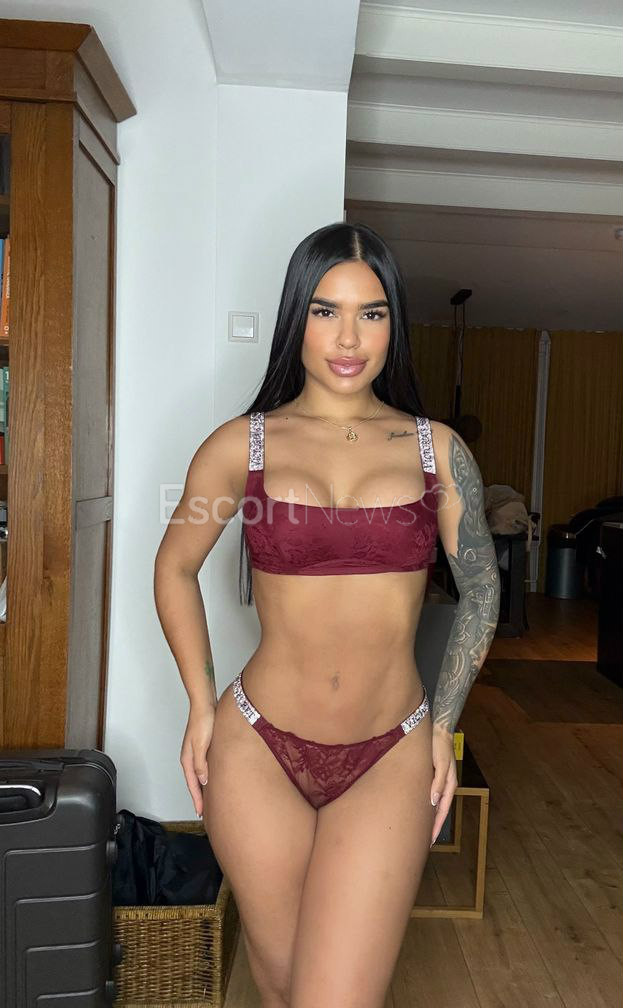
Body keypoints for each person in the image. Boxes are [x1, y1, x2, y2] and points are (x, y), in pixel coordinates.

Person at [154, 221, 501, 1008]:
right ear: (296, 318)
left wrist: (444, 725)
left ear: (393, 323)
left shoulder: (436, 450)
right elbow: (174, 567)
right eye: (325, 311)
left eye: (370, 313)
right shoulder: (240, 447)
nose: (348, 338)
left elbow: (481, 587)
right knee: (282, 989)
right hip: (258, 747)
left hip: (390, 750)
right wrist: (200, 707)